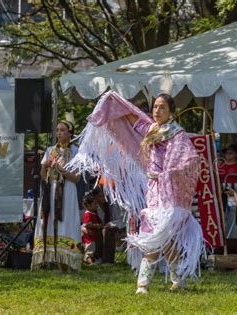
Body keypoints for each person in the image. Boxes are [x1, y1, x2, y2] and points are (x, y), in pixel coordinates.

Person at [67, 91, 203, 294]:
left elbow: (190, 160)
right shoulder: (151, 130)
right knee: (159, 238)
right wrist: (113, 102)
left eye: (162, 107)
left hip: (171, 192)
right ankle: (163, 283)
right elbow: (132, 119)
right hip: (154, 191)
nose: (157, 110)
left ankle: (155, 284)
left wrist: (169, 173)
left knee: (162, 239)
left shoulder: (178, 135)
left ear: (172, 111)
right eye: (155, 107)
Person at [31, 121, 82, 271]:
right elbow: (42, 175)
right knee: (50, 219)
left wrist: (62, 170)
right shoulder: (50, 150)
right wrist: (45, 165)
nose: (59, 133)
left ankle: (68, 261)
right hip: (50, 189)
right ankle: (54, 259)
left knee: (66, 221)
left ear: (70, 133)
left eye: (63, 130)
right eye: (57, 130)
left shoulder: (76, 151)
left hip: (67, 190)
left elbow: (77, 178)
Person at [92, 186, 125, 264]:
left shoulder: (114, 204)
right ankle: (98, 257)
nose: (103, 198)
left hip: (121, 228)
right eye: (99, 196)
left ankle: (108, 261)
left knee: (106, 231)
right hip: (105, 228)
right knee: (98, 231)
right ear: (95, 198)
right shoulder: (95, 207)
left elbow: (122, 220)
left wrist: (110, 224)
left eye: (104, 195)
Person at [81, 191, 101, 265]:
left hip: (93, 237)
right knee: (89, 252)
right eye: (94, 204)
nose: (96, 205)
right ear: (88, 205)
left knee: (92, 251)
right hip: (88, 238)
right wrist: (95, 225)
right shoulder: (88, 214)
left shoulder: (93, 213)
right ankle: (90, 262)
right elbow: (86, 225)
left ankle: (92, 260)